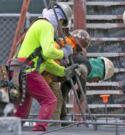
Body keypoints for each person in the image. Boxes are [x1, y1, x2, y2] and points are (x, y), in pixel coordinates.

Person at [11, 3, 77, 131]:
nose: (60, 27)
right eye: (62, 22)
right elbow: (48, 52)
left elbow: (46, 61)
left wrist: (63, 71)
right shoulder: (46, 26)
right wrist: (64, 52)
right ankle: (40, 129)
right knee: (50, 100)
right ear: (59, 18)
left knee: (22, 112)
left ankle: (12, 130)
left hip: (20, 70)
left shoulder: (39, 24)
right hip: (28, 72)